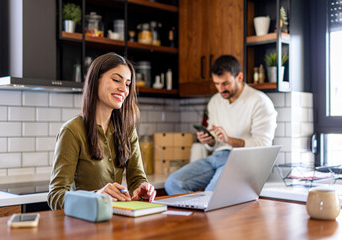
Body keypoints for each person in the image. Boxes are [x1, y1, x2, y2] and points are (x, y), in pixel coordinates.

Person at [48, 52, 156, 210]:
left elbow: (137, 179)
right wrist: (95, 196)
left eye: (127, 84)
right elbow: (55, 196)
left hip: (117, 220)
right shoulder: (72, 131)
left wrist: (142, 189)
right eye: (116, 80)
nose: (123, 89)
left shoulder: (127, 129)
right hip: (83, 225)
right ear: (95, 81)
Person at [164, 55, 277, 195]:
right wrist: (210, 140)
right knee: (173, 183)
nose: (220, 89)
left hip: (242, 161)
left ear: (240, 77)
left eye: (225, 83)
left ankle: (205, 215)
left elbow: (264, 146)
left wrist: (229, 140)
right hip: (217, 157)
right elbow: (215, 142)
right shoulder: (215, 101)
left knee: (212, 194)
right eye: (216, 84)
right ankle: (195, 216)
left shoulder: (260, 102)